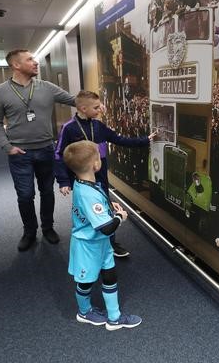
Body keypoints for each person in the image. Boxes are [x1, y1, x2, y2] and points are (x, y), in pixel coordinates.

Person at [0, 49, 75, 251]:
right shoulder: (0, 91)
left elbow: (74, 100)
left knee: (47, 191)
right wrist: (6, 146)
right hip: (20, 154)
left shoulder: (47, 87)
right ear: (16, 65)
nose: (36, 63)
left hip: (46, 149)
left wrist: (95, 103)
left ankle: (48, 228)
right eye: (30, 60)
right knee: (25, 195)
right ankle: (29, 231)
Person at [54, 90, 155, 257]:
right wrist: (63, 181)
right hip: (80, 178)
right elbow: (58, 154)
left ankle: (110, 243)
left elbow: (119, 139)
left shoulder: (98, 126)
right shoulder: (69, 128)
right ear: (83, 108)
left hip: (100, 177)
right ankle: (89, 243)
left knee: (105, 206)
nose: (100, 109)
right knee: (86, 210)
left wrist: (144, 140)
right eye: (96, 107)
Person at [62, 140, 141, 330]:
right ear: (95, 165)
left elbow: (96, 207)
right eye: (99, 156)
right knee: (86, 282)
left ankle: (114, 317)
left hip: (101, 244)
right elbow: (106, 228)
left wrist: (108, 206)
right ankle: (84, 311)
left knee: (110, 276)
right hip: (87, 246)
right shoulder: (87, 193)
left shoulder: (85, 182)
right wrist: (120, 217)